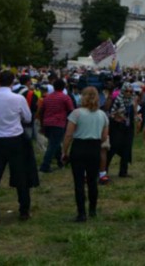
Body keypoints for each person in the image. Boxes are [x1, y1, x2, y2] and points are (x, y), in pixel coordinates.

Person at [0, 71, 37, 225]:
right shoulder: (18, 98)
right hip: (15, 139)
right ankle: (24, 210)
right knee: (21, 176)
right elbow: (27, 118)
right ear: (12, 82)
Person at [61, 86, 108, 222]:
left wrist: (65, 151)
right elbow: (104, 136)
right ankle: (92, 210)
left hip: (79, 147)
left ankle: (81, 213)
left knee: (79, 182)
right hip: (94, 147)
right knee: (93, 181)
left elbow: (69, 134)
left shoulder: (76, 113)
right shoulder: (102, 115)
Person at [38, 78, 74, 173]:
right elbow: (71, 110)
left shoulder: (47, 98)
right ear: (64, 87)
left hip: (47, 123)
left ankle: (61, 161)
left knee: (55, 143)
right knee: (53, 145)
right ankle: (45, 165)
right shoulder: (65, 97)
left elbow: (41, 112)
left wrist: (42, 125)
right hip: (58, 123)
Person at [106, 83, 135, 178]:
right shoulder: (117, 101)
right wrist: (117, 117)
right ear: (123, 91)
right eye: (127, 91)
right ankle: (103, 170)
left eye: (131, 91)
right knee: (112, 149)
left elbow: (133, 114)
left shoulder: (131, 102)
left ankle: (123, 171)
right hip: (116, 129)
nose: (129, 93)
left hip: (127, 129)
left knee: (126, 150)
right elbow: (110, 114)